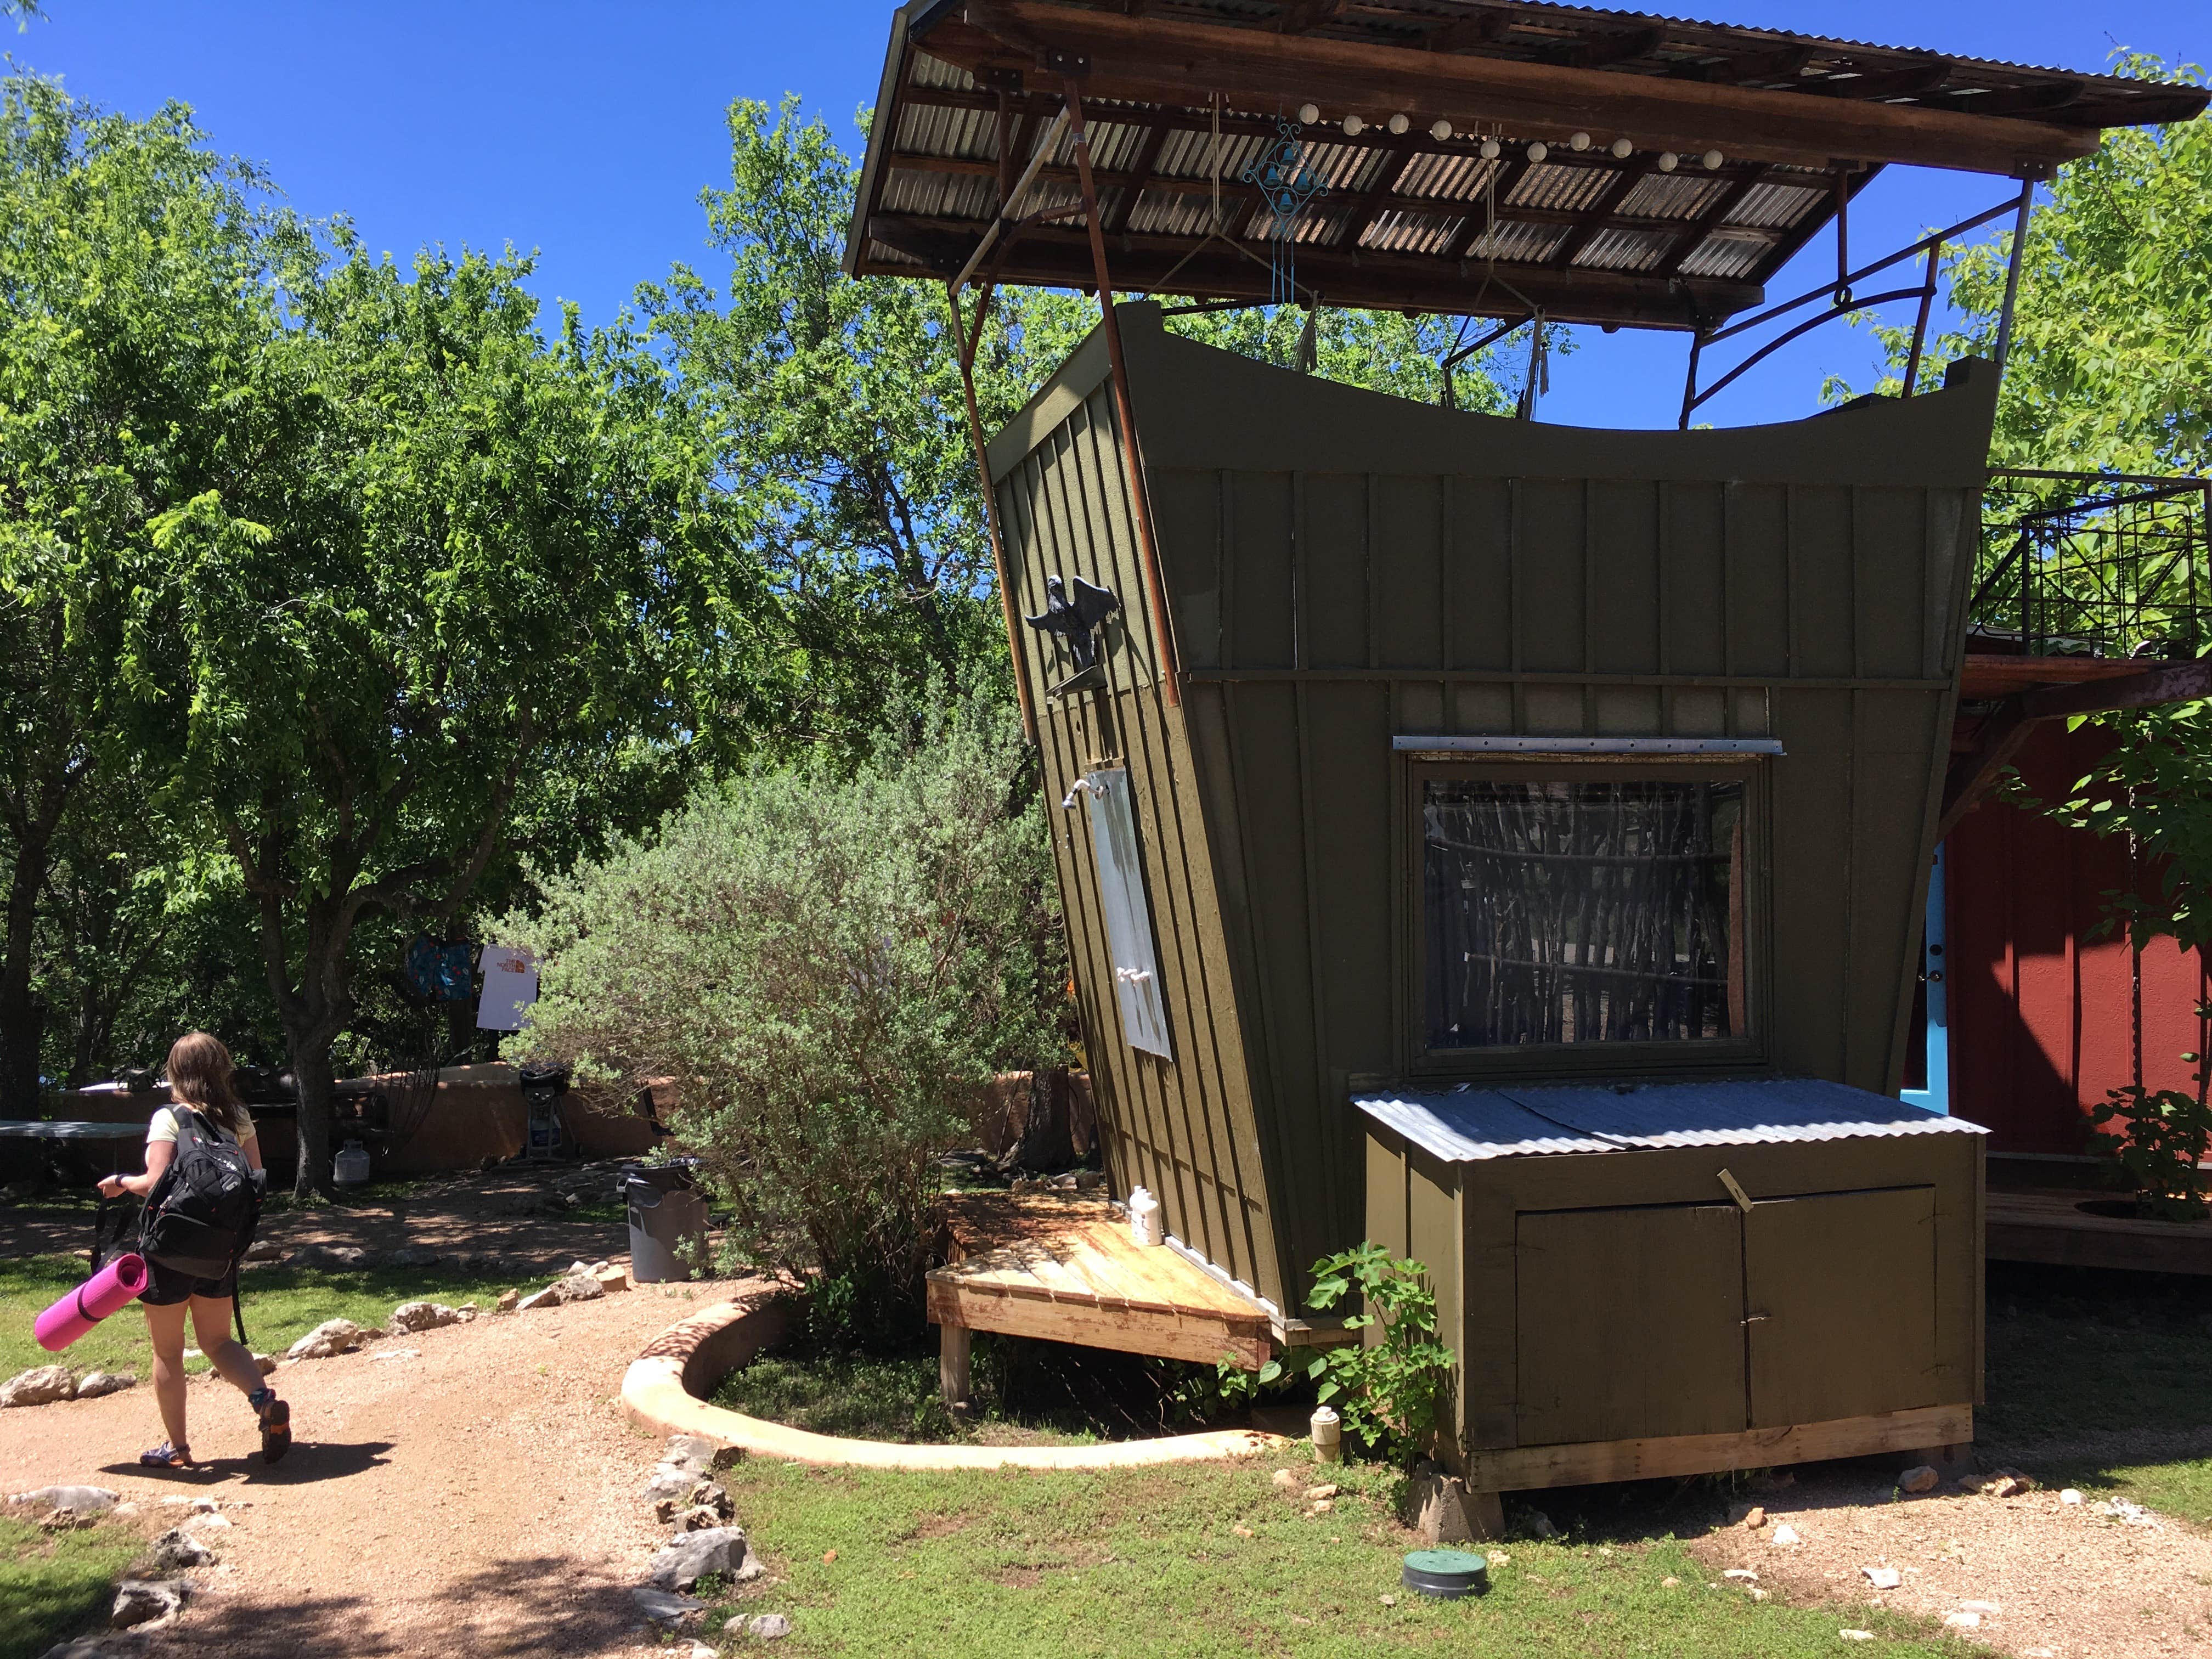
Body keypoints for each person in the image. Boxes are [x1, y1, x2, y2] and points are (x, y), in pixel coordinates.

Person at [97, 1032, 290, 1469]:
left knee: (168, 1351)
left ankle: (179, 1450)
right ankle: (263, 1402)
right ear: (221, 1068)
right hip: (220, 1248)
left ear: (175, 1072)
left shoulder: (169, 1117)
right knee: (218, 1340)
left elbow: (154, 1182)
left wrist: (121, 1183)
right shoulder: (238, 1117)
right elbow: (257, 1177)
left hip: (168, 1251)